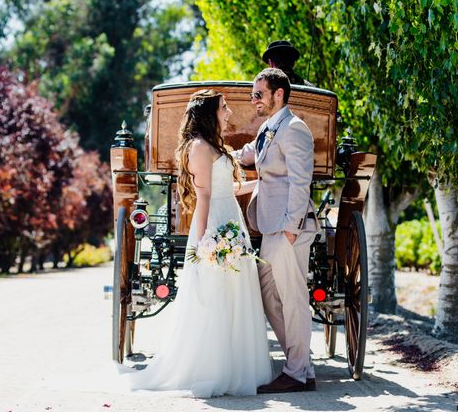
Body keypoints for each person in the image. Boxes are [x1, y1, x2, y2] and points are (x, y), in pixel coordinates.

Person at [121, 89, 272, 397]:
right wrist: (203, 243)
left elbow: (227, 188)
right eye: (224, 108)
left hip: (231, 222)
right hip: (215, 227)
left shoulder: (215, 145)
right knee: (215, 295)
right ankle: (214, 369)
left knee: (235, 294)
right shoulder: (200, 147)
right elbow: (203, 197)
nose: (229, 112)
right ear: (209, 113)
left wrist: (264, 182)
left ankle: (236, 366)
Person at [233, 68, 319, 393]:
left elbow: (301, 182)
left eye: (259, 94)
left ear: (278, 94)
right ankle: (303, 366)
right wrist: (217, 153)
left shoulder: (295, 129)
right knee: (268, 297)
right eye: (254, 94)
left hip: (288, 229)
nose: (254, 99)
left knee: (293, 300)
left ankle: (296, 374)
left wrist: (291, 229)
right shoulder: (270, 128)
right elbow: (250, 155)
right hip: (271, 228)